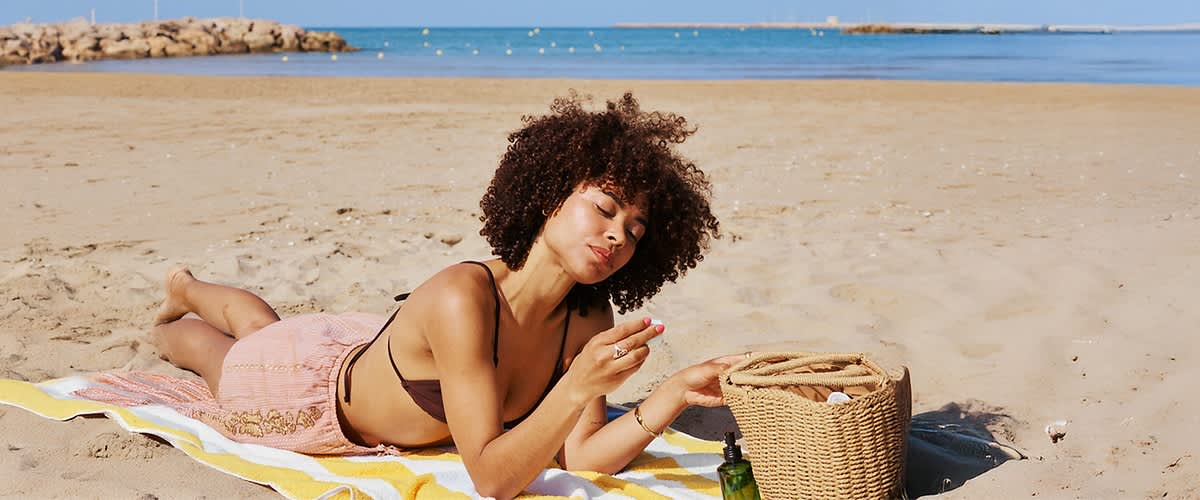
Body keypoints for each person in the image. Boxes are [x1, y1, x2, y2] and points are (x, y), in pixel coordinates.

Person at [150, 92, 739, 500]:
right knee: (219, 354)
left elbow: (582, 456)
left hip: (363, 353)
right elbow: (491, 478)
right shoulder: (465, 297)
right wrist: (581, 383)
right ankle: (181, 297)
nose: (618, 233)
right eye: (605, 208)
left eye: (635, 230)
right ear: (549, 195)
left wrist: (672, 392)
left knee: (263, 327)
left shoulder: (586, 314)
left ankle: (192, 289)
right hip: (307, 394)